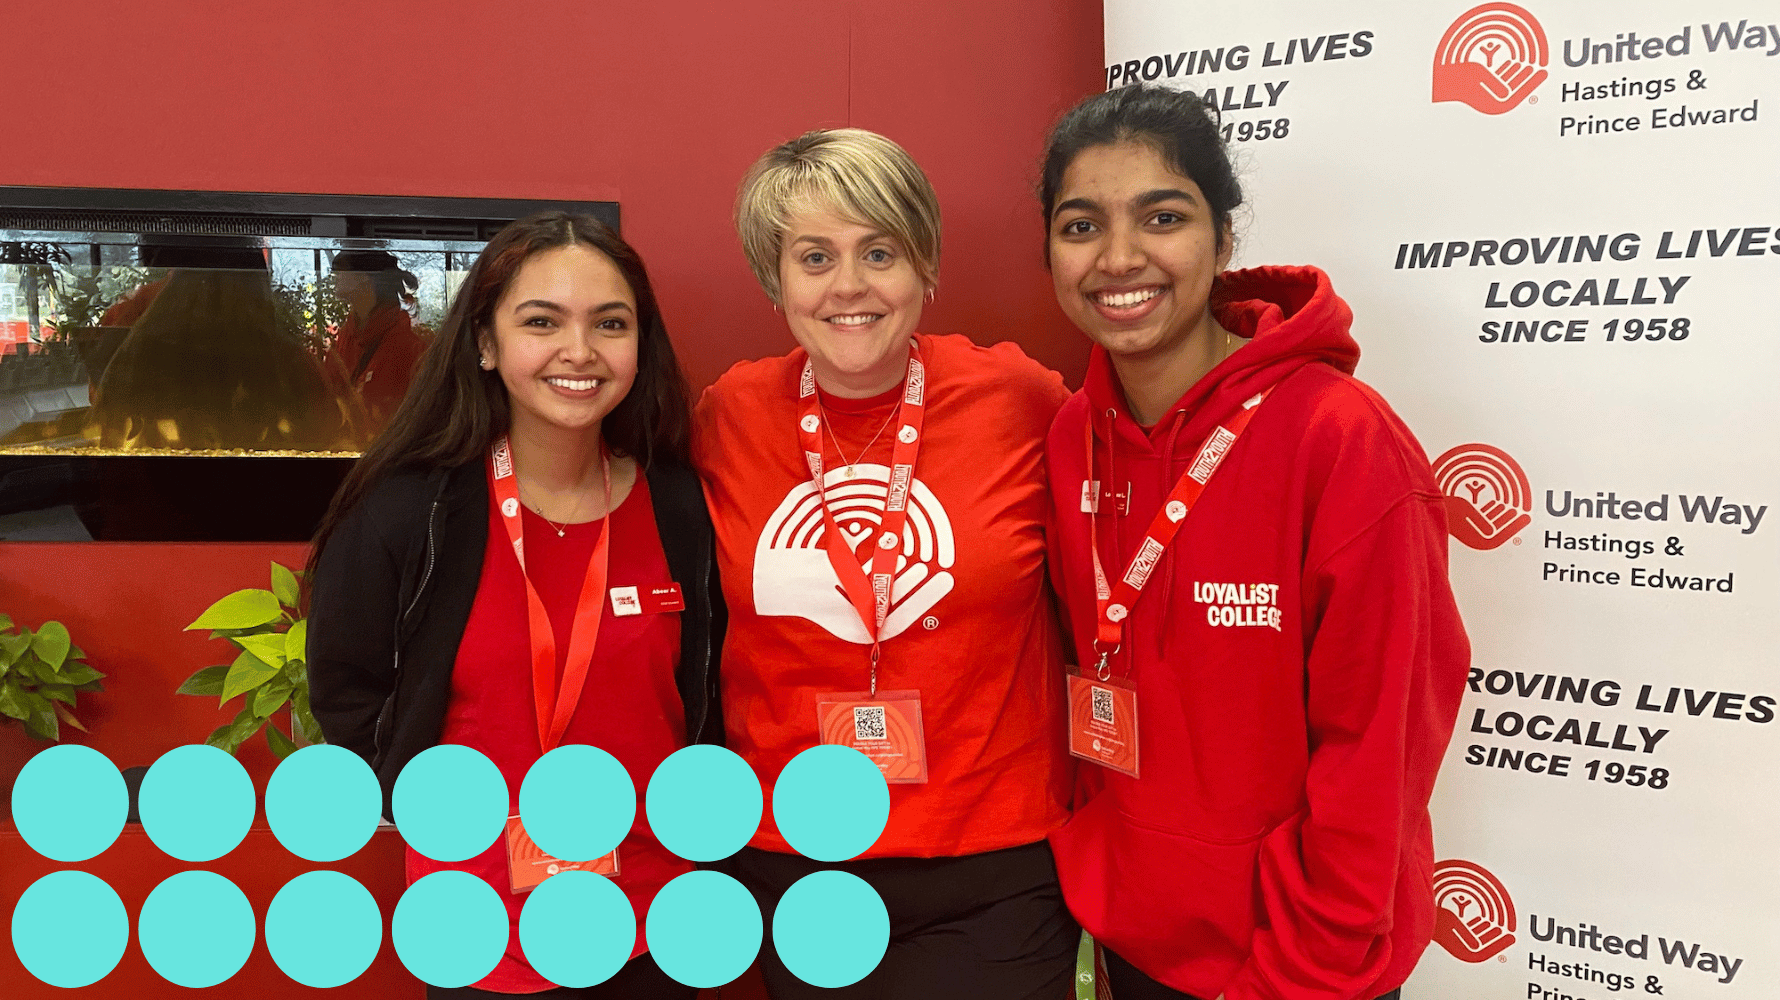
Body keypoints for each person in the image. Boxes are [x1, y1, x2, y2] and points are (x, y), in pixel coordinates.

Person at [1037, 85, 1470, 1000]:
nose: (1120, 258)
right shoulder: (1074, 433)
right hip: (1139, 939)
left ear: (1224, 240)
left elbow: (1377, 750)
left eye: (1163, 216)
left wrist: (1300, 975)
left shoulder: (1340, 440)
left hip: (1299, 965)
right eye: (1081, 226)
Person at [694, 128, 1078, 998]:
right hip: (795, 861)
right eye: (815, 257)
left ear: (926, 267)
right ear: (775, 279)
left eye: (881, 251)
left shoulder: (1020, 400)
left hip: (993, 869)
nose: (850, 286)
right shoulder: (729, 414)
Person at [306, 212, 721, 999]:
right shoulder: (411, 511)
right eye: (542, 321)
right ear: (487, 345)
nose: (580, 351)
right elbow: (346, 689)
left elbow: (710, 691)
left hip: (659, 923)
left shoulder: (680, 504)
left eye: (611, 323)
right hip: (477, 927)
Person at [324, 249, 429, 439]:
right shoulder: (345, 339)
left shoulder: (411, 348)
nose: (335, 275)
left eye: (342, 269)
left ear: (364, 278)